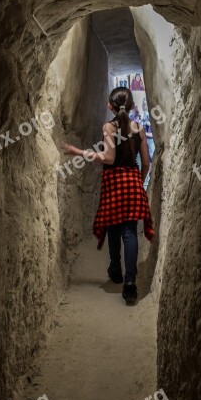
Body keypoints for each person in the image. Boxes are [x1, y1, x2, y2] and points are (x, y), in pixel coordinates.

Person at [60, 87, 154, 305]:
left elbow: (109, 158)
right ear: (130, 106)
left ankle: (115, 270)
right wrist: (139, 181)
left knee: (113, 226)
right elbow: (147, 162)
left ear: (111, 106)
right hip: (132, 181)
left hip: (113, 183)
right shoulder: (138, 128)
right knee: (129, 231)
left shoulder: (108, 127)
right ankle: (130, 284)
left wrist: (79, 152)